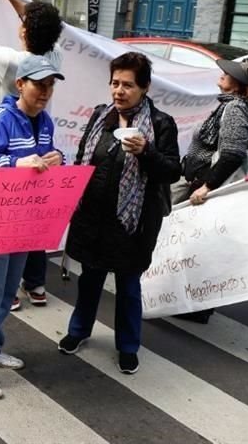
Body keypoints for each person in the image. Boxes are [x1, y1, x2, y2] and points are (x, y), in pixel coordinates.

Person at [58, 52, 180, 375]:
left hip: (133, 223)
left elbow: (171, 171)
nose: (119, 91)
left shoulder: (161, 124)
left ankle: (128, 347)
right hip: (93, 217)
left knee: (128, 287)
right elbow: (84, 156)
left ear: (145, 87)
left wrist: (146, 152)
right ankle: (78, 331)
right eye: (115, 83)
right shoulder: (101, 116)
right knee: (90, 279)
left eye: (128, 85)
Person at [0, 55, 64, 399]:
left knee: (5, 293)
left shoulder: (45, 122)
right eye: (39, 84)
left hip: (22, 221)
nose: (45, 92)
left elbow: (42, 165)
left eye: (50, 85)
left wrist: (55, 158)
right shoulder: (1, 117)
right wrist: (17, 163)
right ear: (21, 84)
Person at [0, 0, 64, 311]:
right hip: (40, 144)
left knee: (8, 220)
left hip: (11, 145)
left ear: (24, 31)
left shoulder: (12, 61)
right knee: (33, 219)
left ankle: (8, 290)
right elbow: (41, 27)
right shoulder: (55, 57)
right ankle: (36, 285)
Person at [174, 56, 248, 323]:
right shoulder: (229, 106)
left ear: (239, 85)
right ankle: (191, 302)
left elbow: (232, 154)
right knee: (197, 247)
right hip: (201, 185)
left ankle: (197, 308)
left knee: (198, 248)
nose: (222, 74)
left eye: (228, 73)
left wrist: (207, 187)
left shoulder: (236, 108)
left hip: (205, 190)